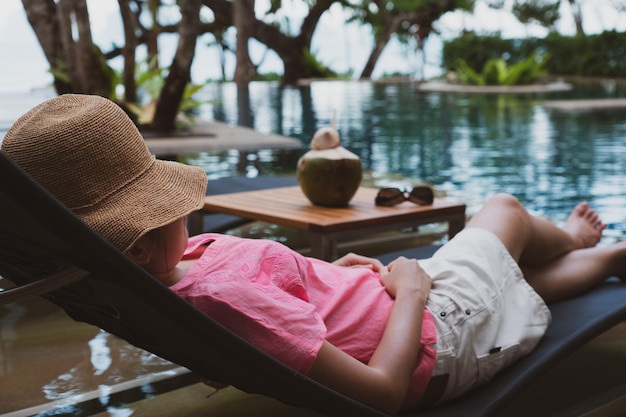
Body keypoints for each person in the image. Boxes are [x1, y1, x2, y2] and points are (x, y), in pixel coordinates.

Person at [3, 94, 625, 415]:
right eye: (167, 207)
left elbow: (254, 330)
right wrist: (409, 291)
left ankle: (611, 259)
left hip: (414, 314)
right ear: (138, 247)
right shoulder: (221, 301)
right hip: (437, 336)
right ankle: (578, 239)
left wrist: (333, 277)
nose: (185, 210)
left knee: (519, 279)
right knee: (508, 211)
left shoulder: (171, 273)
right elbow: (380, 395)